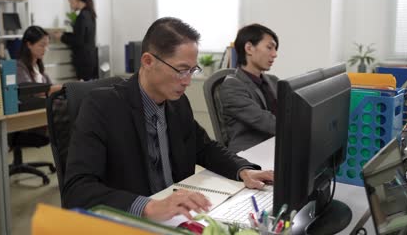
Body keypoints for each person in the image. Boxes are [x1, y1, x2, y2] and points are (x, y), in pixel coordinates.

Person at [63, 17, 274, 221]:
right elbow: (78, 189)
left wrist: (242, 170)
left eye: (192, 71)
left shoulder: (177, 103)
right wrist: (149, 206)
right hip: (133, 220)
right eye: (182, 71)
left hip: (176, 216)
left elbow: (205, 147)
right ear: (148, 61)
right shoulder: (102, 106)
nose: (188, 81)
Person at [219, 24, 279, 153]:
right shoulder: (232, 86)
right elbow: (266, 122)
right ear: (249, 48)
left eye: (275, 49)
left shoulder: (273, 81)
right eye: (269, 48)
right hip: (249, 153)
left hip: (274, 146)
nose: (275, 54)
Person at [53, 0, 97, 81]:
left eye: (70, 1)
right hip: (89, 58)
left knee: (83, 88)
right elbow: (81, 36)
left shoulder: (82, 16)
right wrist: (65, 34)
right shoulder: (89, 14)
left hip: (83, 60)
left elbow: (78, 40)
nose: (70, 5)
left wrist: (62, 37)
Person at [17, 25, 62, 94]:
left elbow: (52, 89)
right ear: (29, 45)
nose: (46, 49)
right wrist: (64, 87)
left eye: (47, 45)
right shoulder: (19, 67)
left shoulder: (38, 67)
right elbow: (31, 91)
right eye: (42, 45)